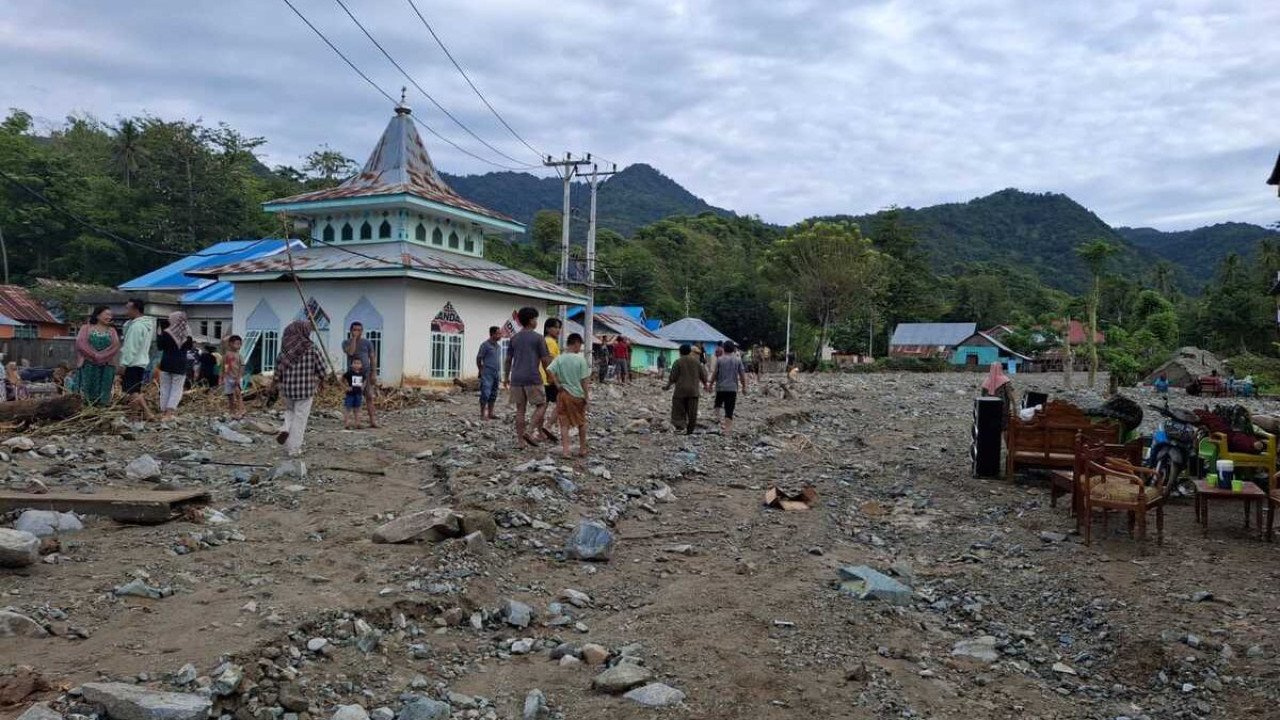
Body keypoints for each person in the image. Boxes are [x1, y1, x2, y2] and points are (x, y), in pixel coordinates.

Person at [272, 320, 326, 457]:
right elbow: (321, 368)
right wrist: (322, 381)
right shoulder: (312, 348)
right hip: (305, 389)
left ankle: (285, 428)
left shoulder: (285, 349)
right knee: (300, 418)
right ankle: (293, 449)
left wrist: (276, 382)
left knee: (290, 411)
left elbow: (278, 369)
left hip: (288, 388)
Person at [504, 306, 553, 448]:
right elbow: (545, 360)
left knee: (520, 410)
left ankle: (520, 442)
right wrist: (550, 377)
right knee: (542, 404)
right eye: (536, 319)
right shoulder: (538, 338)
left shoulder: (514, 338)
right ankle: (530, 431)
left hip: (516, 378)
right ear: (531, 321)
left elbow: (508, 360)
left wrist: (506, 377)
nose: (536, 321)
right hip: (532, 377)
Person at [546, 333, 592, 457]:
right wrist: (587, 397)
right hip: (577, 395)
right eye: (580, 345)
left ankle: (566, 451)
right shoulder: (581, 360)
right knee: (581, 422)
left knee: (564, 424)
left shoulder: (560, 358)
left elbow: (549, 369)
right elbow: (584, 381)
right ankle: (582, 449)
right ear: (576, 343)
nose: (580, 348)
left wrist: (557, 383)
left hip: (563, 394)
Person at [74, 305, 120, 406]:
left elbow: (115, 347)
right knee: (87, 390)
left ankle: (101, 409)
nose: (109, 317)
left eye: (110, 315)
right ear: (98, 315)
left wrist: (102, 357)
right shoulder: (86, 328)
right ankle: (86, 409)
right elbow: (81, 344)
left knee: (103, 391)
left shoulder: (112, 331)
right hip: (88, 365)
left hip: (106, 366)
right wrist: (94, 355)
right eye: (107, 314)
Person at [120, 298, 156, 421]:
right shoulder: (145, 325)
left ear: (135, 309)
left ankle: (137, 414)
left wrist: (124, 363)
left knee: (132, 391)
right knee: (134, 390)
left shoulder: (137, 326)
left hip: (133, 362)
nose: (126, 311)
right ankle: (143, 414)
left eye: (128, 309)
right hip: (140, 361)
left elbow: (131, 346)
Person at [156, 311, 194, 421]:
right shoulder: (187, 333)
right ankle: (169, 412)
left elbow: (160, 347)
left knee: (164, 388)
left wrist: (159, 334)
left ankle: (163, 411)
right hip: (180, 363)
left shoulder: (166, 332)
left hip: (166, 362)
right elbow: (189, 347)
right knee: (176, 389)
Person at [665, 343, 708, 435]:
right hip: (693, 391)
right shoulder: (696, 362)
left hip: (680, 391)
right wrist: (706, 385)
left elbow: (673, 377)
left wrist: (667, 386)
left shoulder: (678, 362)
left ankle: (681, 427)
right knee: (692, 413)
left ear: (680, 352)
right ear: (689, 352)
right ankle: (690, 430)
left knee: (678, 410)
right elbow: (703, 376)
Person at [343, 322, 378, 428]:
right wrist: (354, 338)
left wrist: (373, 373)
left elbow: (372, 357)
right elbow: (351, 353)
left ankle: (373, 421)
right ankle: (351, 422)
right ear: (351, 331)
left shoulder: (367, 343)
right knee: (352, 399)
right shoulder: (346, 342)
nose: (357, 332)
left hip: (365, 374)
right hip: (353, 376)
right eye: (355, 330)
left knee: (369, 397)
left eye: (359, 330)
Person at [710, 341, 748, 435]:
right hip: (732, 388)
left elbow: (715, 373)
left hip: (720, 387)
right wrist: (744, 387)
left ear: (724, 348)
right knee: (729, 409)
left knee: (717, 403)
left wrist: (710, 384)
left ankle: (717, 419)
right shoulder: (738, 360)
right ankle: (727, 430)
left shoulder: (720, 360)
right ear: (734, 349)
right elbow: (742, 375)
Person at [541, 317, 563, 441]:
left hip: (544, 378)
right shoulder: (549, 342)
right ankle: (548, 426)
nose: (558, 330)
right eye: (555, 327)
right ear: (548, 328)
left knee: (543, 405)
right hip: (549, 378)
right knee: (561, 402)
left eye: (559, 327)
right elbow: (549, 361)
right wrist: (554, 379)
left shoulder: (548, 341)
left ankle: (540, 432)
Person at [476, 326, 502, 420]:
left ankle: (491, 413)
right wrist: (480, 369)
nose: (500, 335)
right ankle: (483, 414)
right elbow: (479, 358)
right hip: (487, 372)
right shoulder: (485, 345)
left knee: (494, 393)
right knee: (485, 393)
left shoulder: (498, 347)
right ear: (492, 334)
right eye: (498, 333)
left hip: (496, 372)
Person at [222, 335, 245, 419]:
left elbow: (242, 367)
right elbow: (225, 365)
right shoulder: (227, 354)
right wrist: (223, 376)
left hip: (237, 378)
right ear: (230, 344)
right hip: (228, 378)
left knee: (238, 395)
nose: (239, 346)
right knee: (230, 395)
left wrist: (238, 378)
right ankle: (232, 412)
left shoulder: (239, 356)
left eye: (240, 344)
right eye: (237, 344)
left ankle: (241, 411)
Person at [343, 357, 368, 429]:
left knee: (357, 409)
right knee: (348, 408)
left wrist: (363, 386)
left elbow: (365, 380)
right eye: (355, 363)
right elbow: (342, 379)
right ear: (351, 365)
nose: (356, 365)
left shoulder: (362, 373)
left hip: (358, 394)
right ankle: (346, 423)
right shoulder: (349, 373)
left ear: (361, 365)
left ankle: (358, 423)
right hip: (350, 394)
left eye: (358, 363)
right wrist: (346, 387)